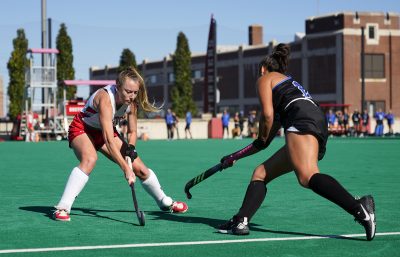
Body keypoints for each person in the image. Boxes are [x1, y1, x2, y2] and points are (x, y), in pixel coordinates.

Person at [217, 43, 376, 241]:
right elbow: (262, 143)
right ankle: (241, 220)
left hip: (300, 120)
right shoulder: (286, 88)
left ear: (263, 69)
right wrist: (235, 156)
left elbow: (266, 116)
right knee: (260, 174)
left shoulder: (264, 79)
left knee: (307, 176)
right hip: (316, 120)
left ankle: (359, 208)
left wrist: (261, 130)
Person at [53, 67, 188, 222]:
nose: (131, 96)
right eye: (128, 91)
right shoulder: (105, 99)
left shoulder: (132, 103)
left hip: (107, 132)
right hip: (83, 129)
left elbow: (132, 131)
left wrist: (130, 148)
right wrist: (125, 168)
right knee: (90, 159)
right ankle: (62, 207)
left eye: (135, 92)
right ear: (117, 86)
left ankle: (165, 202)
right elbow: (109, 140)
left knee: (140, 169)